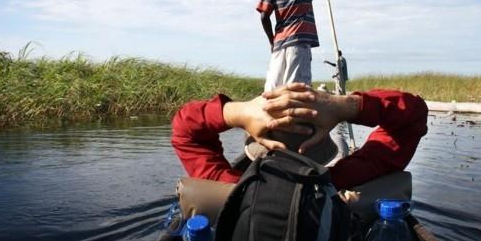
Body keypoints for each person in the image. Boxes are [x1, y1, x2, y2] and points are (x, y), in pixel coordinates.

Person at [172, 83, 428, 191]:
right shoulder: (345, 182)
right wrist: (344, 106)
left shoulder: (230, 188)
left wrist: (238, 112)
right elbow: (413, 116)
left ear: (259, 142)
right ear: (320, 147)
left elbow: (184, 130)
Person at [257, 0, 330, 92]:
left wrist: (272, 41)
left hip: (279, 43)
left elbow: (264, 16)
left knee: (272, 90)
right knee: (296, 91)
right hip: (299, 42)